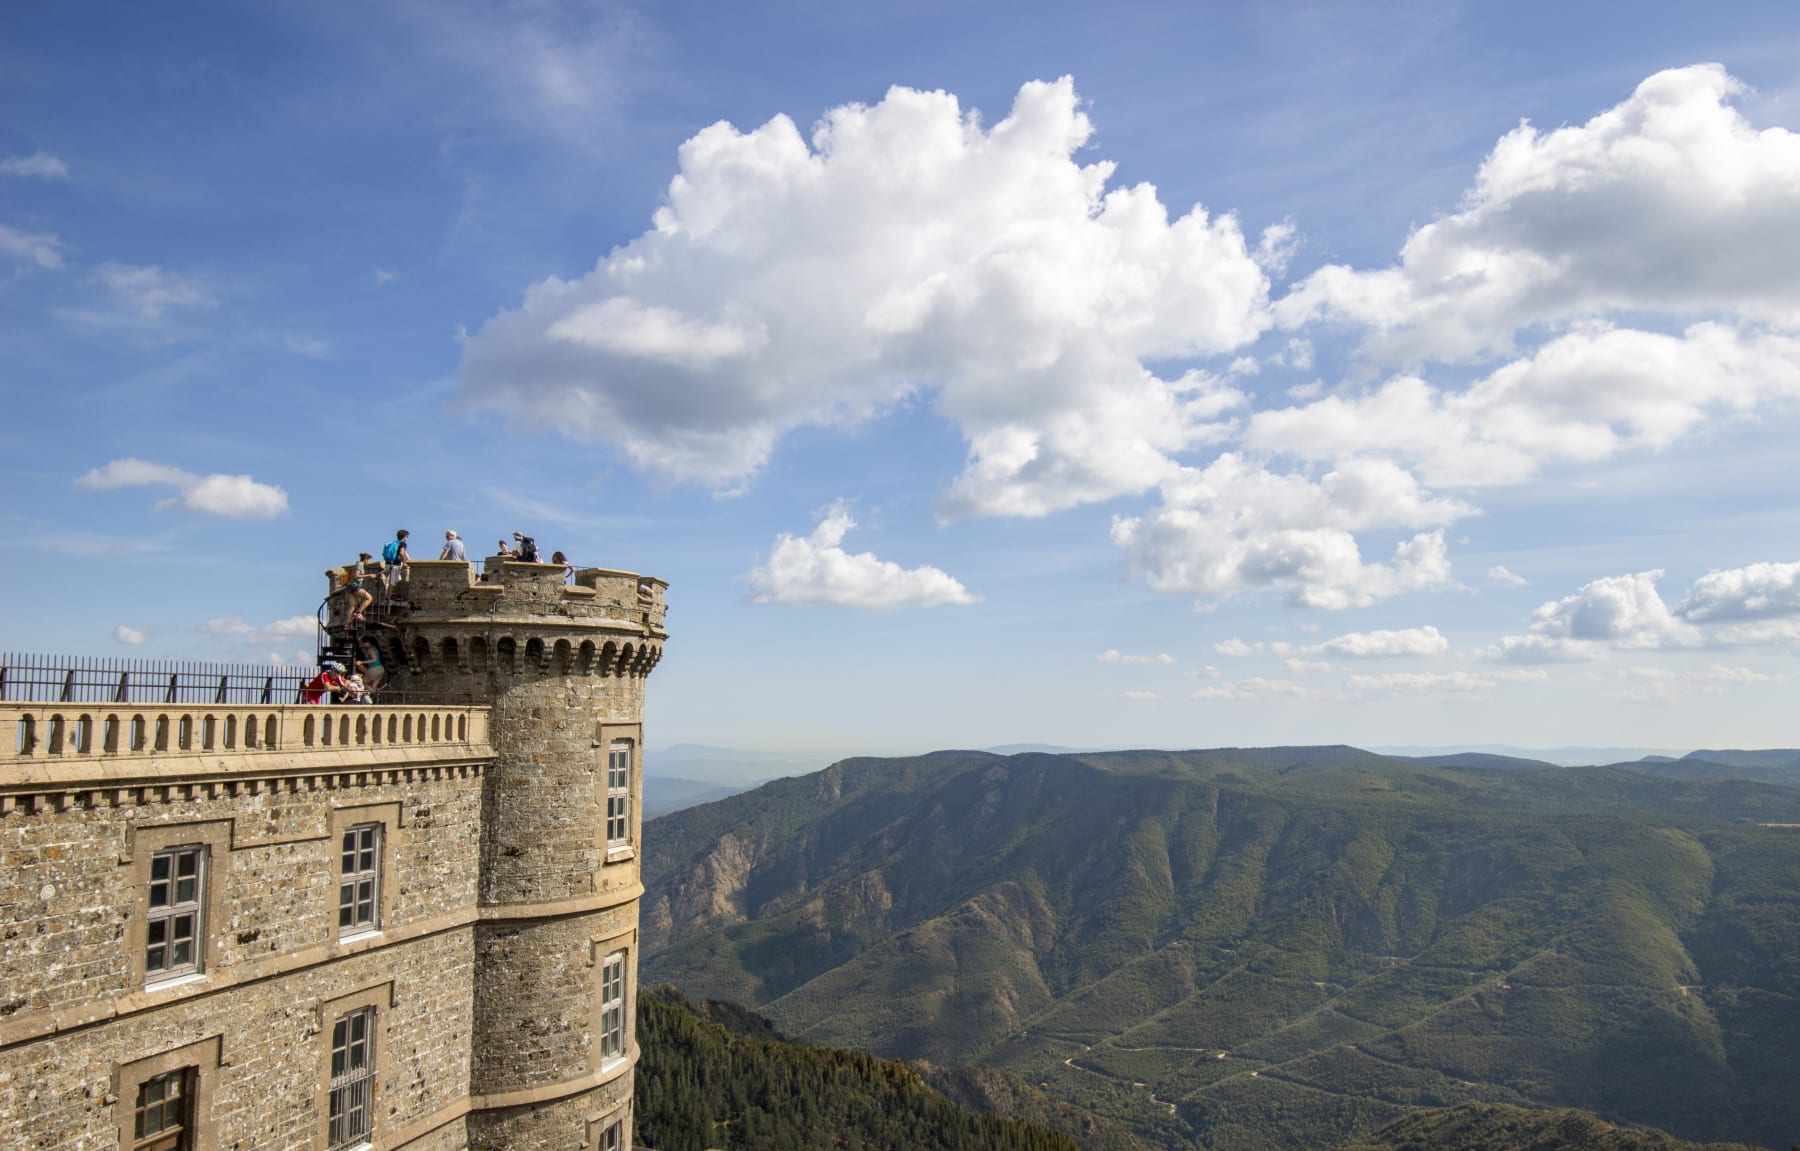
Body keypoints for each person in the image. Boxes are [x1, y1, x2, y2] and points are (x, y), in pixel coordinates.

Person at [341, 554, 374, 624]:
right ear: (365, 559)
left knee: (352, 606)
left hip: (350, 586)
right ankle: (358, 613)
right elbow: (356, 575)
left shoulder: (357, 564)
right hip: (354, 586)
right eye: (369, 560)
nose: (369, 562)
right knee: (369, 598)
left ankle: (347, 624)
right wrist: (369, 575)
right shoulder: (359, 565)